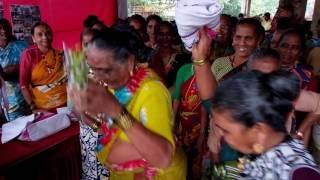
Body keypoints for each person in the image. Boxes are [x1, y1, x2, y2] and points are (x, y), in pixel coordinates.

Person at [70, 27, 186, 179]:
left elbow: (162, 157)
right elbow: (112, 131)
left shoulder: (151, 91)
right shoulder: (115, 87)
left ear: (130, 62)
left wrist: (115, 110)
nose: (98, 78)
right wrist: (89, 120)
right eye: (93, 70)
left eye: (106, 70)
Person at [210, 70, 318, 179]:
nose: (221, 134)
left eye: (226, 130)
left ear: (258, 130)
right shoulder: (259, 151)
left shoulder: (299, 174)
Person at [20, 22, 67, 112]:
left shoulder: (60, 53)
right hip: (43, 108)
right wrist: (33, 108)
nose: (45, 37)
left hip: (66, 104)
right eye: (40, 34)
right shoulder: (29, 54)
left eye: (48, 33)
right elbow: (23, 85)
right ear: (33, 38)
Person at [0, 18, 29, 121]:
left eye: (6, 27)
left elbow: (33, 66)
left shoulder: (22, 46)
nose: (3, 31)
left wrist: (17, 67)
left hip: (29, 95)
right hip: (9, 102)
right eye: (0, 28)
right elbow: (4, 76)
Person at [149, 21, 190, 89]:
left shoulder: (182, 58)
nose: (165, 37)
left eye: (168, 34)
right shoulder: (151, 57)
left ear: (173, 36)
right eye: (161, 34)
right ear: (157, 36)